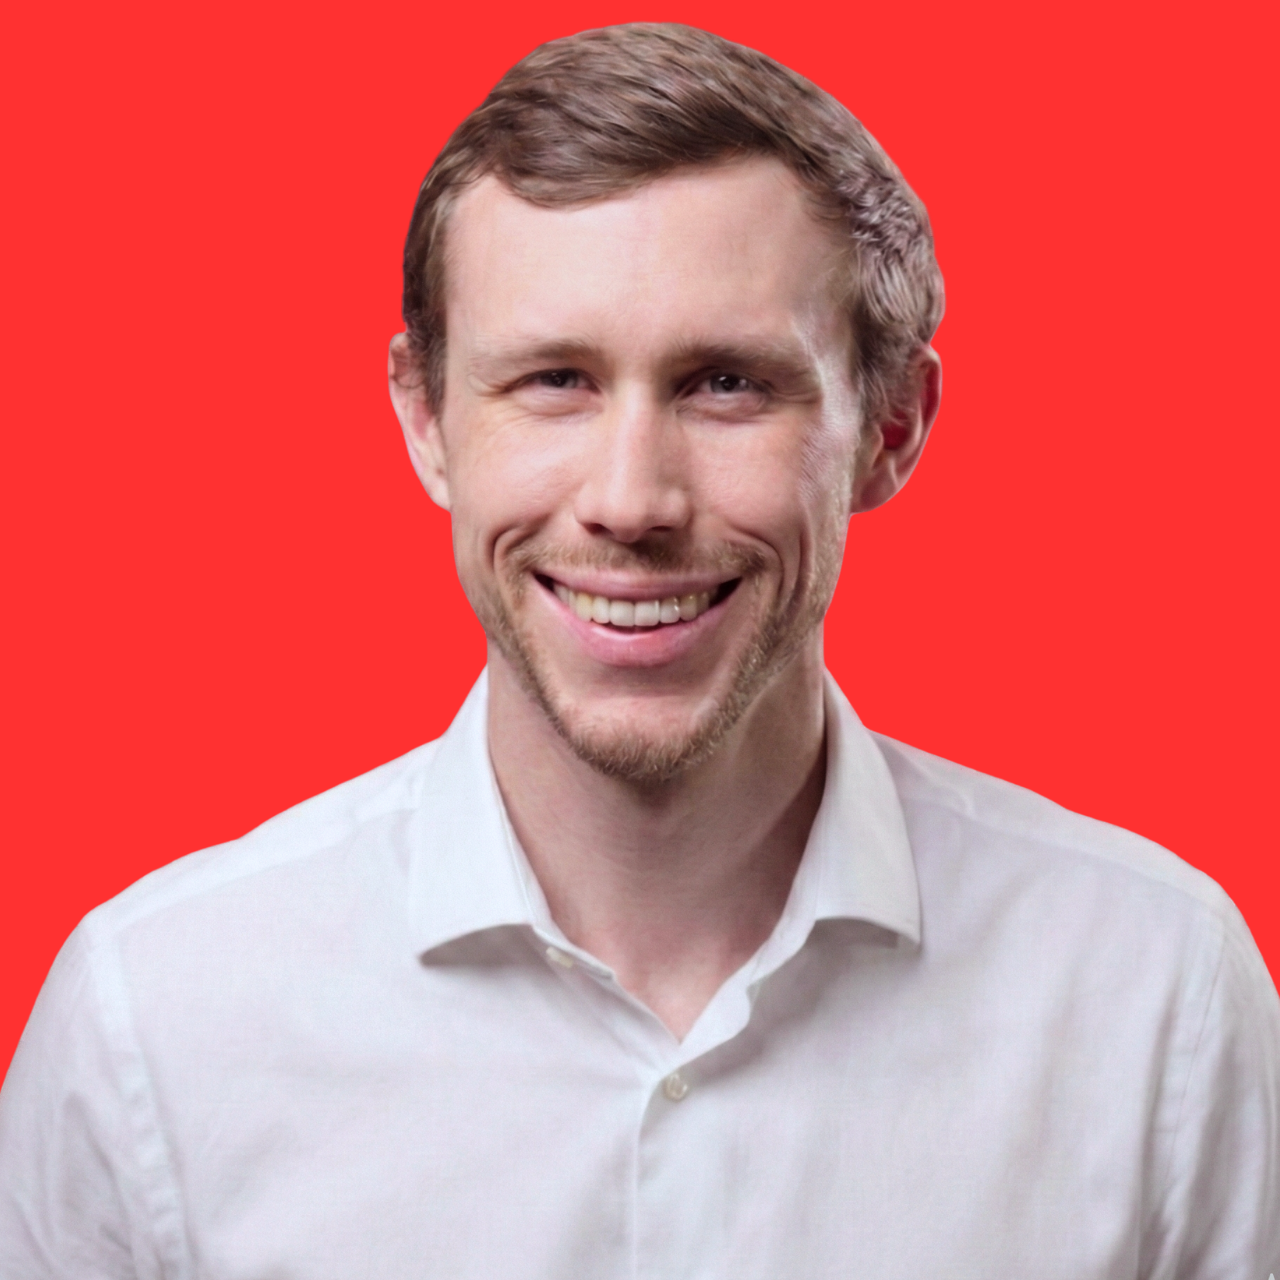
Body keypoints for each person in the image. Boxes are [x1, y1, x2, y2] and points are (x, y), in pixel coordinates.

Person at [1, 21, 1276, 1278]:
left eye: (725, 383)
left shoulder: (1155, 999)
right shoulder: (150, 1025)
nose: (630, 499)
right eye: (553, 379)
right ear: (426, 418)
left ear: (891, 425)